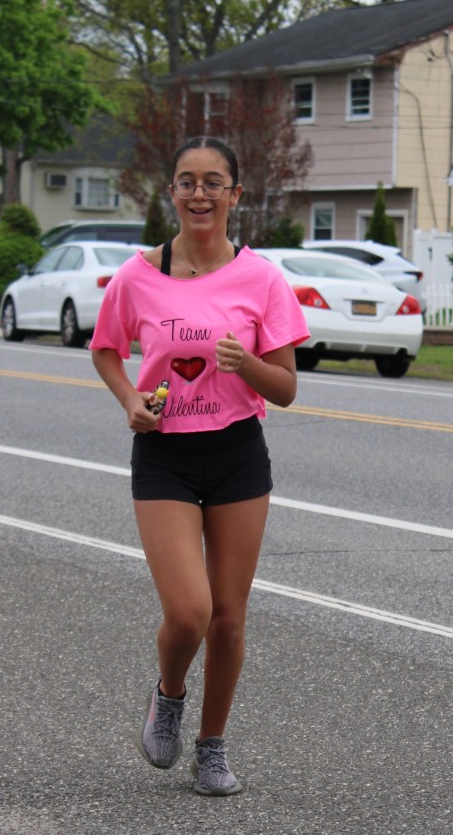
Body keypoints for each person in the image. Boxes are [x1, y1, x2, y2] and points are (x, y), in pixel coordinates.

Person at [91, 137, 309, 796]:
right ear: (173, 194)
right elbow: (105, 349)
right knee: (189, 612)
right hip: (165, 456)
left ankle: (211, 748)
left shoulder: (262, 279)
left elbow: (286, 388)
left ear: (235, 195)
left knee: (229, 618)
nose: (199, 193)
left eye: (214, 182)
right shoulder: (137, 276)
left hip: (237, 455)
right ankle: (169, 695)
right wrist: (130, 401)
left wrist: (248, 365)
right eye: (187, 181)